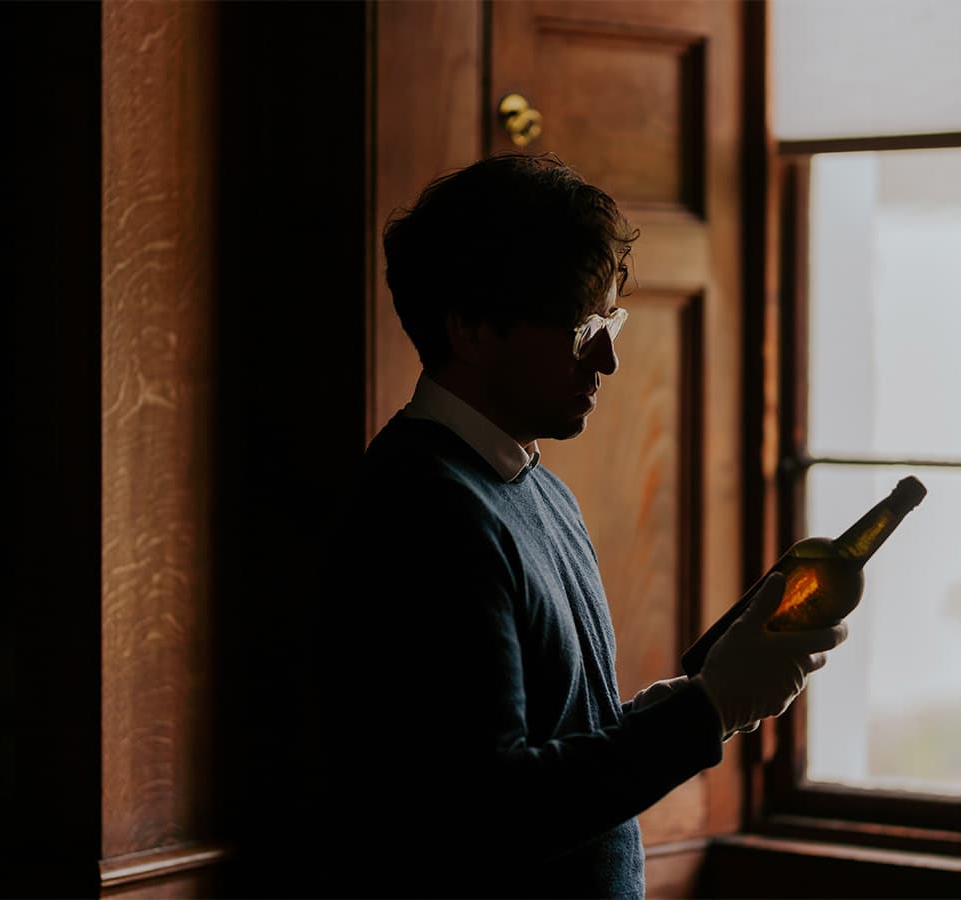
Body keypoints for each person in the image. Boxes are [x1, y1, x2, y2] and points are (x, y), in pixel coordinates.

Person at [334, 151, 848, 899]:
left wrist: (699, 693)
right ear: (471, 329)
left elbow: (563, 740)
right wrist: (711, 709)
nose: (607, 358)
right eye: (581, 331)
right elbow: (493, 807)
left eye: (611, 319)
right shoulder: (423, 513)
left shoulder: (536, 491)